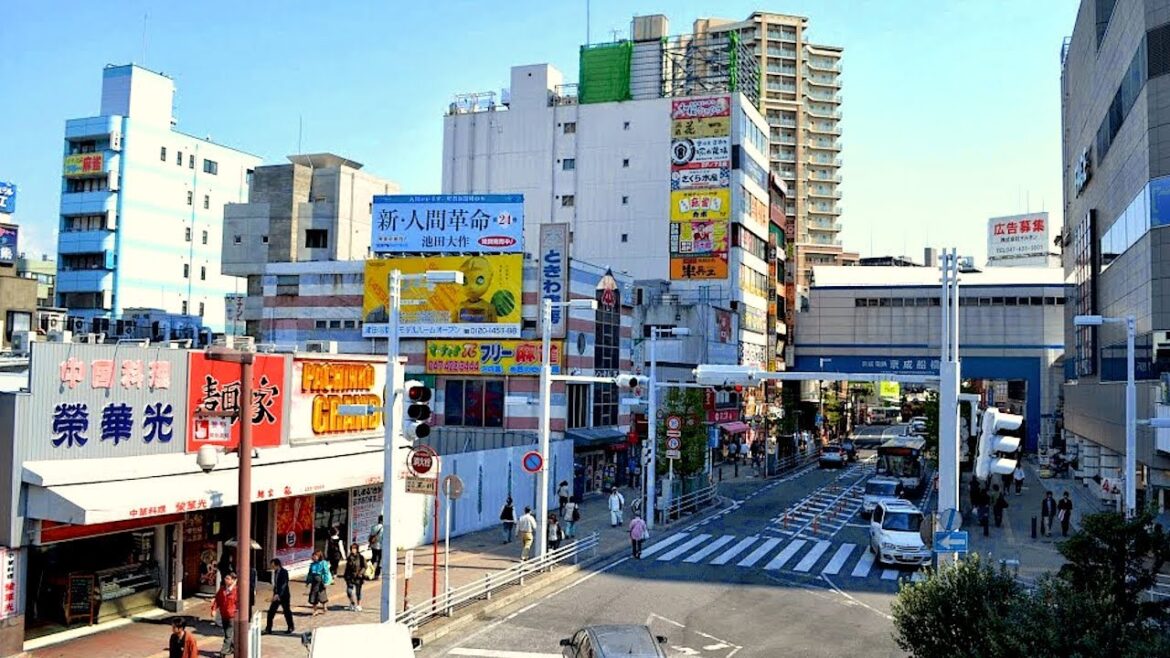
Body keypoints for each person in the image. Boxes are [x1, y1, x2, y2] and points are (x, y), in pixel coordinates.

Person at [210, 572, 238, 657]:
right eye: (225, 578)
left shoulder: (236, 590)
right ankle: (232, 648)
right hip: (223, 614)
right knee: (227, 633)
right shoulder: (222, 589)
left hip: (232, 615)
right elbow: (217, 600)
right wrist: (213, 609)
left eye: (228, 579)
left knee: (228, 635)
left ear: (233, 580)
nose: (226, 580)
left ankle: (223, 652)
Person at [265, 558, 294, 635]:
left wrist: (278, 594)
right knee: (271, 612)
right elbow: (276, 585)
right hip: (276, 596)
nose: (272, 567)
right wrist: (275, 593)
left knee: (286, 612)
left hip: (284, 596)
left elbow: (284, 584)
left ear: (277, 565)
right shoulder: (275, 572)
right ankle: (268, 628)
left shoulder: (284, 572)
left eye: (273, 566)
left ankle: (290, 627)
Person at [306, 550, 331, 616]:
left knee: (322, 595)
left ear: (319, 556)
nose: (314, 557)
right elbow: (310, 574)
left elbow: (326, 573)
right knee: (313, 596)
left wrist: (325, 582)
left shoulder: (323, 563)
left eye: (315, 556)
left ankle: (324, 607)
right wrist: (308, 581)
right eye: (313, 556)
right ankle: (315, 610)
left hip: (321, 582)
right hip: (314, 582)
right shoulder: (312, 564)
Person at [344, 543, 367, 612]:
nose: (353, 550)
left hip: (358, 577)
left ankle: (359, 605)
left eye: (354, 549)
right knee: (349, 591)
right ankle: (352, 603)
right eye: (351, 549)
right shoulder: (349, 557)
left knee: (358, 592)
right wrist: (345, 575)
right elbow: (347, 567)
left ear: (357, 549)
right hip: (350, 576)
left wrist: (360, 573)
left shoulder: (361, 557)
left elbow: (365, 566)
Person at [368, 514, 384, 580]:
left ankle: (369, 573)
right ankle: (377, 575)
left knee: (373, 559)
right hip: (380, 546)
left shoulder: (373, 527)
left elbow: (370, 536)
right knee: (380, 561)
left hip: (373, 546)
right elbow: (383, 538)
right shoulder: (383, 528)